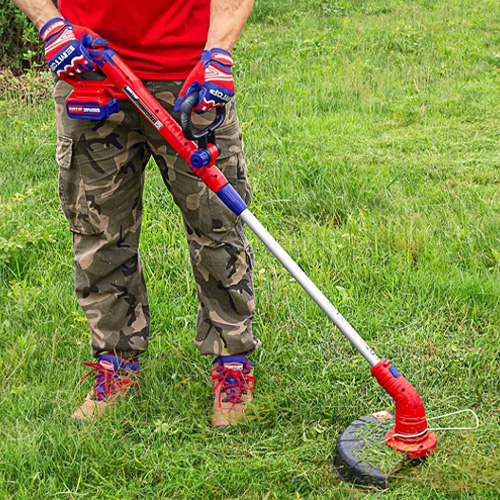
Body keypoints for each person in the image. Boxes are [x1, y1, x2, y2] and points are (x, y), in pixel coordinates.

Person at [11, 0, 259, 427]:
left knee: (216, 223)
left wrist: (218, 50)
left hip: (188, 76)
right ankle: (117, 363)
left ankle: (231, 362)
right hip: (88, 70)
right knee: (98, 226)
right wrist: (50, 23)